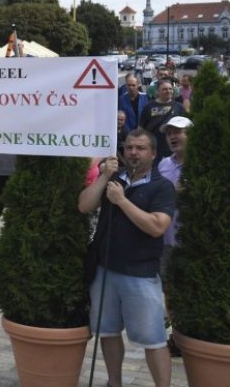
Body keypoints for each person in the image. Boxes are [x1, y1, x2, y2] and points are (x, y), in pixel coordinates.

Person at [78, 130, 176, 387]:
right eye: (129, 147)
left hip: (140, 274)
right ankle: (114, 382)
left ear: (153, 154)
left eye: (140, 148)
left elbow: (157, 226)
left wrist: (121, 201)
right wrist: (102, 176)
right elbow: (84, 205)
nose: (133, 152)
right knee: (108, 332)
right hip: (105, 269)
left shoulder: (162, 187)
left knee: (153, 339)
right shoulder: (113, 180)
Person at [157, 116, 190, 357]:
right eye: (169, 133)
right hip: (167, 239)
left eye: (178, 132)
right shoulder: (163, 165)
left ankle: (189, 333)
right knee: (169, 287)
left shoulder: (202, 163)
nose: (172, 137)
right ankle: (176, 336)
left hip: (192, 239)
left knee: (190, 287)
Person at [138, 80, 185, 160]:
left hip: (173, 149)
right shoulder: (149, 107)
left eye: (170, 89)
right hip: (154, 149)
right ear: (158, 91)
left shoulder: (179, 107)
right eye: (165, 89)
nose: (168, 91)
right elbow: (141, 128)